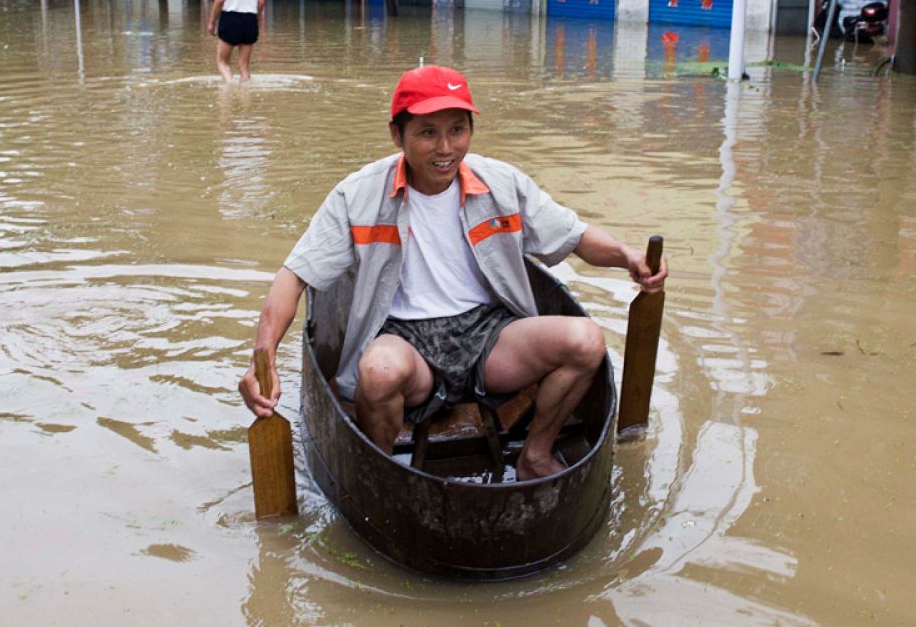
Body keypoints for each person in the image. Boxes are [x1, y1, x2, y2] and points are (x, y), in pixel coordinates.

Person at [238, 65, 667, 480]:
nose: (446, 148)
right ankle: (378, 473)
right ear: (397, 135)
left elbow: (572, 235)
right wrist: (265, 358)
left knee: (586, 341)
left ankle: (535, 455)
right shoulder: (358, 194)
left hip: (489, 334)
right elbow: (294, 276)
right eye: (428, 133)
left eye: (457, 130)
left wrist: (628, 256)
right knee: (378, 372)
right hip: (404, 337)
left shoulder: (500, 182)